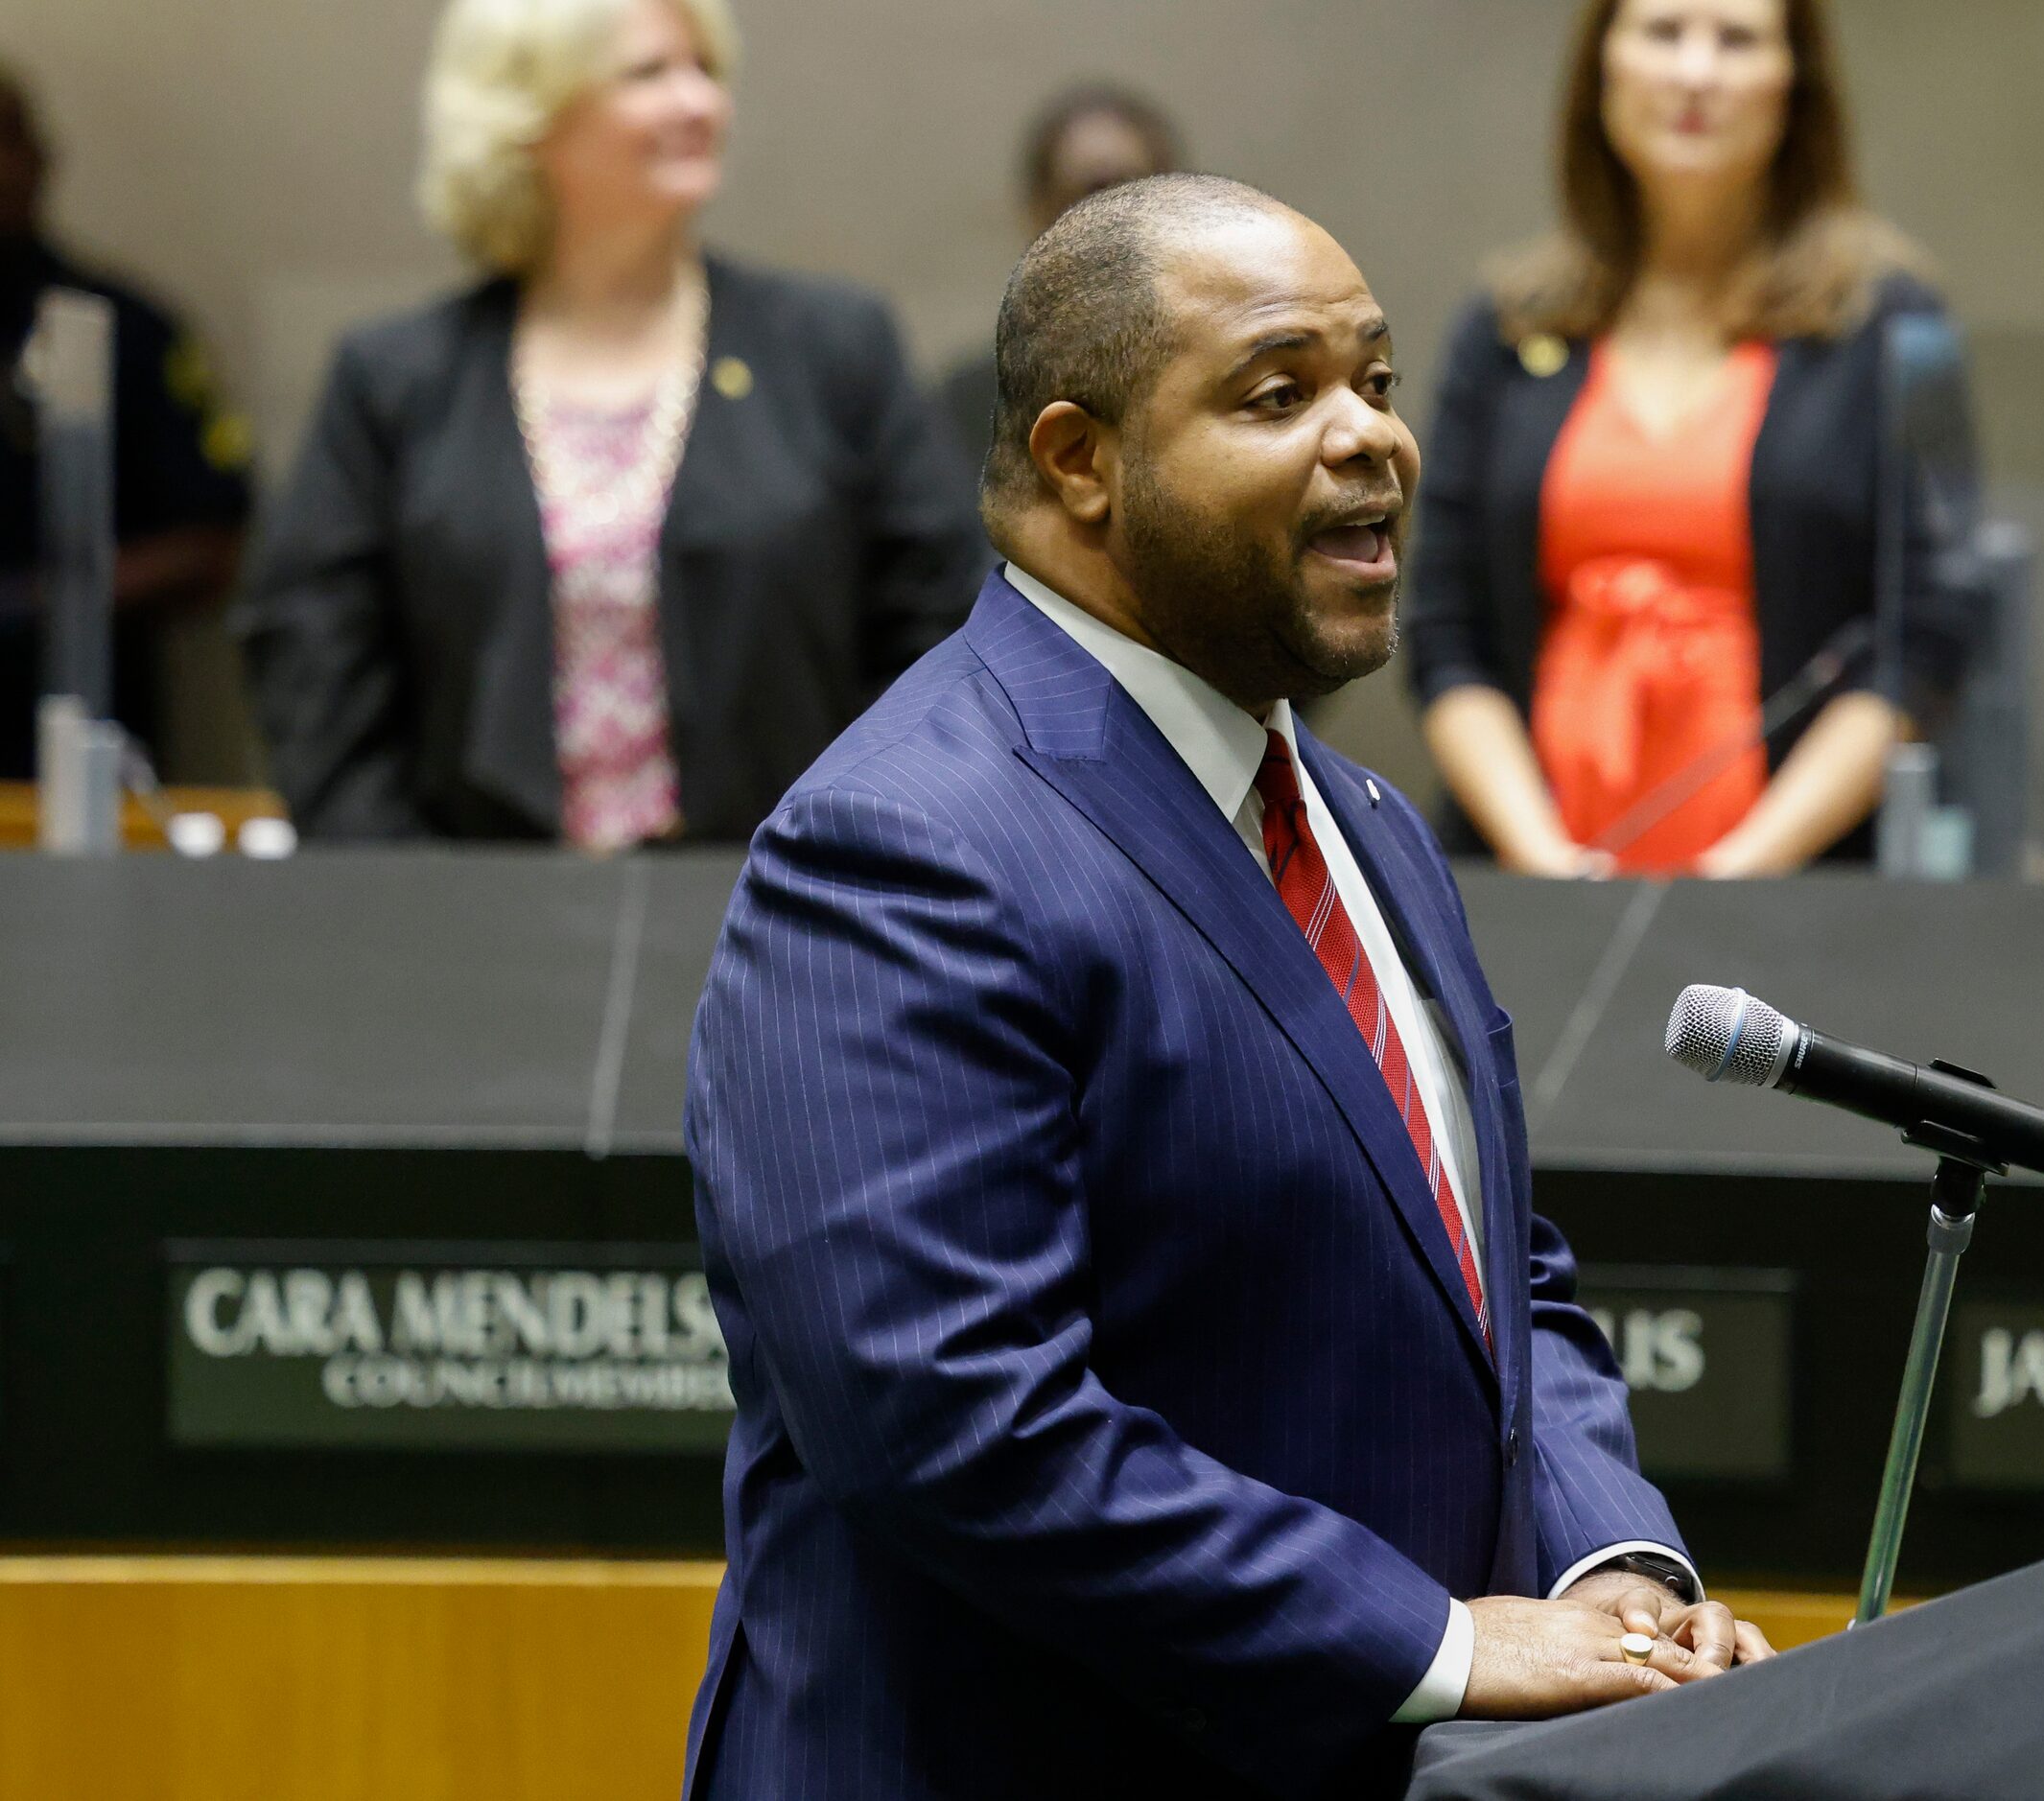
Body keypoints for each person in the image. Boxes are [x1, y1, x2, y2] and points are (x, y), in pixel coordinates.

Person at [681, 175, 1773, 1801]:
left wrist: (1603, 1565)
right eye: (1281, 394)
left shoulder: (1364, 822)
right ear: (1079, 461)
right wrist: (1452, 1645)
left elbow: (1492, 1271)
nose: (1371, 438)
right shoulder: (902, 844)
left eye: (1379, 385)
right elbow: (957, 1425)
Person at [239, 0, 983, 847]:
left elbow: (946, 639)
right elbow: (312, 671)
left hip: (794, 913)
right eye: (649, 73)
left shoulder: (835, 350)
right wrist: (411, 899)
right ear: (529, 120)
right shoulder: (394, 381)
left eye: (705, 69)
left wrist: (860, 858)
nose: (699, 102)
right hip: (462, 926)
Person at [1404, 0, 1976, 878]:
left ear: (1797, 80)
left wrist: (1740, 874)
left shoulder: (1897, 321)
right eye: (1664, 32)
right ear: (1604, 66)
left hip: (1795, 892)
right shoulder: (1506, 325)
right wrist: (1547, 864)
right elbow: (1442, 632)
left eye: (1737, 38)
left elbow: (1927, 634)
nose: (1696, 73)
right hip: (1530, 882)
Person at [0, 60, 251, 781]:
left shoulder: (122, 330)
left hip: (75, 739)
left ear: (40, 159)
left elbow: (210, 544)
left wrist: (48, 601)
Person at [937, 82, 1182, 464]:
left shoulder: (1221, 383)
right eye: (1090, 194)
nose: (1108, 219)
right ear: (1037, 213)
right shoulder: (970, 405)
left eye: (1132, 192)